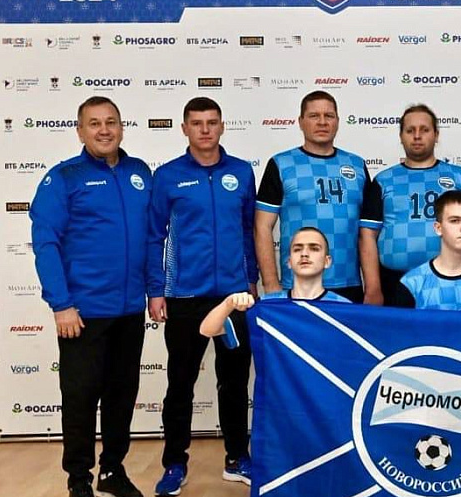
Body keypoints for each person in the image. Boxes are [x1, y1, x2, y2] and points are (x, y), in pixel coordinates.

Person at [30, 96, 150, 497]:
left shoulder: (139, 172)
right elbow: (46, 243)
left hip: (129, 310)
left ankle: (113, 470)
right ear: (80, 131)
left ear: (122, 127)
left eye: (111, 122)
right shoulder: (65, 177)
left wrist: (154, 291)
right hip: (82, 313)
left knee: (121, 396)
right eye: (94, 123)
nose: (104, 130)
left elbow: (153, 237)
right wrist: (61, 304)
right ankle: (78, 479)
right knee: (80, 397)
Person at [146, 97, 258, 495]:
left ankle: (237, 458)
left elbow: (248, 231)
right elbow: (154, 236)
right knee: (180, 383)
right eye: (197, 123)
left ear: (222, 126)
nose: (205, 130)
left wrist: (251, 280)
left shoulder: (241, 172)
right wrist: (156, 290)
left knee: (234, 382)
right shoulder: (168, 176)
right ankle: (174, 463)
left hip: (234, 296)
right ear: (185, 128)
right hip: (184, 296)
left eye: (212, 122)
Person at [255, 91, 371, 303]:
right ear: (300, 122)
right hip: (297, 286)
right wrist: (271, 283)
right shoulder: (281, 164)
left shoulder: (357, 165)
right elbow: (262, 226)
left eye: (329, 116)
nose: (322, 122)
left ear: (337, 121)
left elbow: (368, 233)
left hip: (348, 285)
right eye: (314, 116)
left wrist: (372, 286)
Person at [359, 104, 461, 305]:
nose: (417, 136)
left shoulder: (460, 178)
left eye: (424, 130)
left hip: (450, 282)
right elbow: (367, 235)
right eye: (410, 130)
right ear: (401, 136)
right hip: (393, 283)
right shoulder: (383, 181)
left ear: (436, 135)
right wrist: (373, 288)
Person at [200, 228, 350, 346]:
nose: (304, 254)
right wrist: (228, 304)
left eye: (314, 248)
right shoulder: (267, 306)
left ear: (327, 261)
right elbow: (207, 330)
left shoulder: (343, 307)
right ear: (289, 262)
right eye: (297, 249)